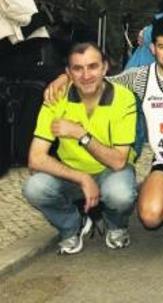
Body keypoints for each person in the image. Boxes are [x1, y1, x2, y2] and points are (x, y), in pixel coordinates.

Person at [44, 17, 163, 253]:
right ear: (152, 48)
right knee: (150, 216)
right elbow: (97, 80)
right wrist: (65, 77)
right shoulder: (141, 78)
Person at [22, 42, 138, 254]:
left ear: (104, 68)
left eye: (93, 66)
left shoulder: (123, 97)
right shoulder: (56, 96)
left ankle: (115, 225)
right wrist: (82, 178)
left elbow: (118, 161)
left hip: (111, 172)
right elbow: (36, 159)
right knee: (34, 187)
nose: (86, 75)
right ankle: (72, 226)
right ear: (68, 73)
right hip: (72, 173)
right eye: (78, 68)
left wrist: (81, 135)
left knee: (120, 194)